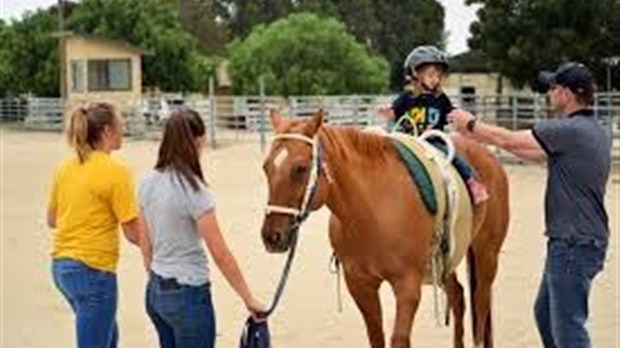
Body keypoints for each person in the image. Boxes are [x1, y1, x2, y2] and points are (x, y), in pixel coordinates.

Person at [449, 62, 610, 348]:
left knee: (569, 328)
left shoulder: (568, 130)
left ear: (566, 93)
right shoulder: (593, 132)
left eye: (553, 88)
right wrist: (479, 139)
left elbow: (508, 138)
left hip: (572, 243)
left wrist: (470, 124)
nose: (549, 94)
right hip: (577, 241)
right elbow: (527, 150)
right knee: (546, 315)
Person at [138, 109, 263, 348]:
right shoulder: (195, 191)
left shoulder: (147, 182)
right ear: (197, 141)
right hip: (188, 295)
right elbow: (221, 254)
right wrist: (248, 298)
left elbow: (146, 242)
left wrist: (155, 278)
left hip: (155, 292)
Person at [47, 102, 141, 348]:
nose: (124, 128)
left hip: (61, 268)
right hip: (93, 271)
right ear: (108, 131)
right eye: (121, 124)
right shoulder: (115, 172)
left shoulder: (65, 168)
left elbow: (52, 219)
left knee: (109, 337)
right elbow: (133, 233)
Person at [377, 45, 489, 204]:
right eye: (430, 75)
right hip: (407, 140)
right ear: (415, 74)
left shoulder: (441, 98)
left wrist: (461, 119)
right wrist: (387, 111)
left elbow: (451, 113)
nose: (434, 79)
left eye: (438, 76)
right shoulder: (406, 97)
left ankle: (471, 183)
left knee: (454, 157)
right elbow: (395, 111)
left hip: (432, 140)